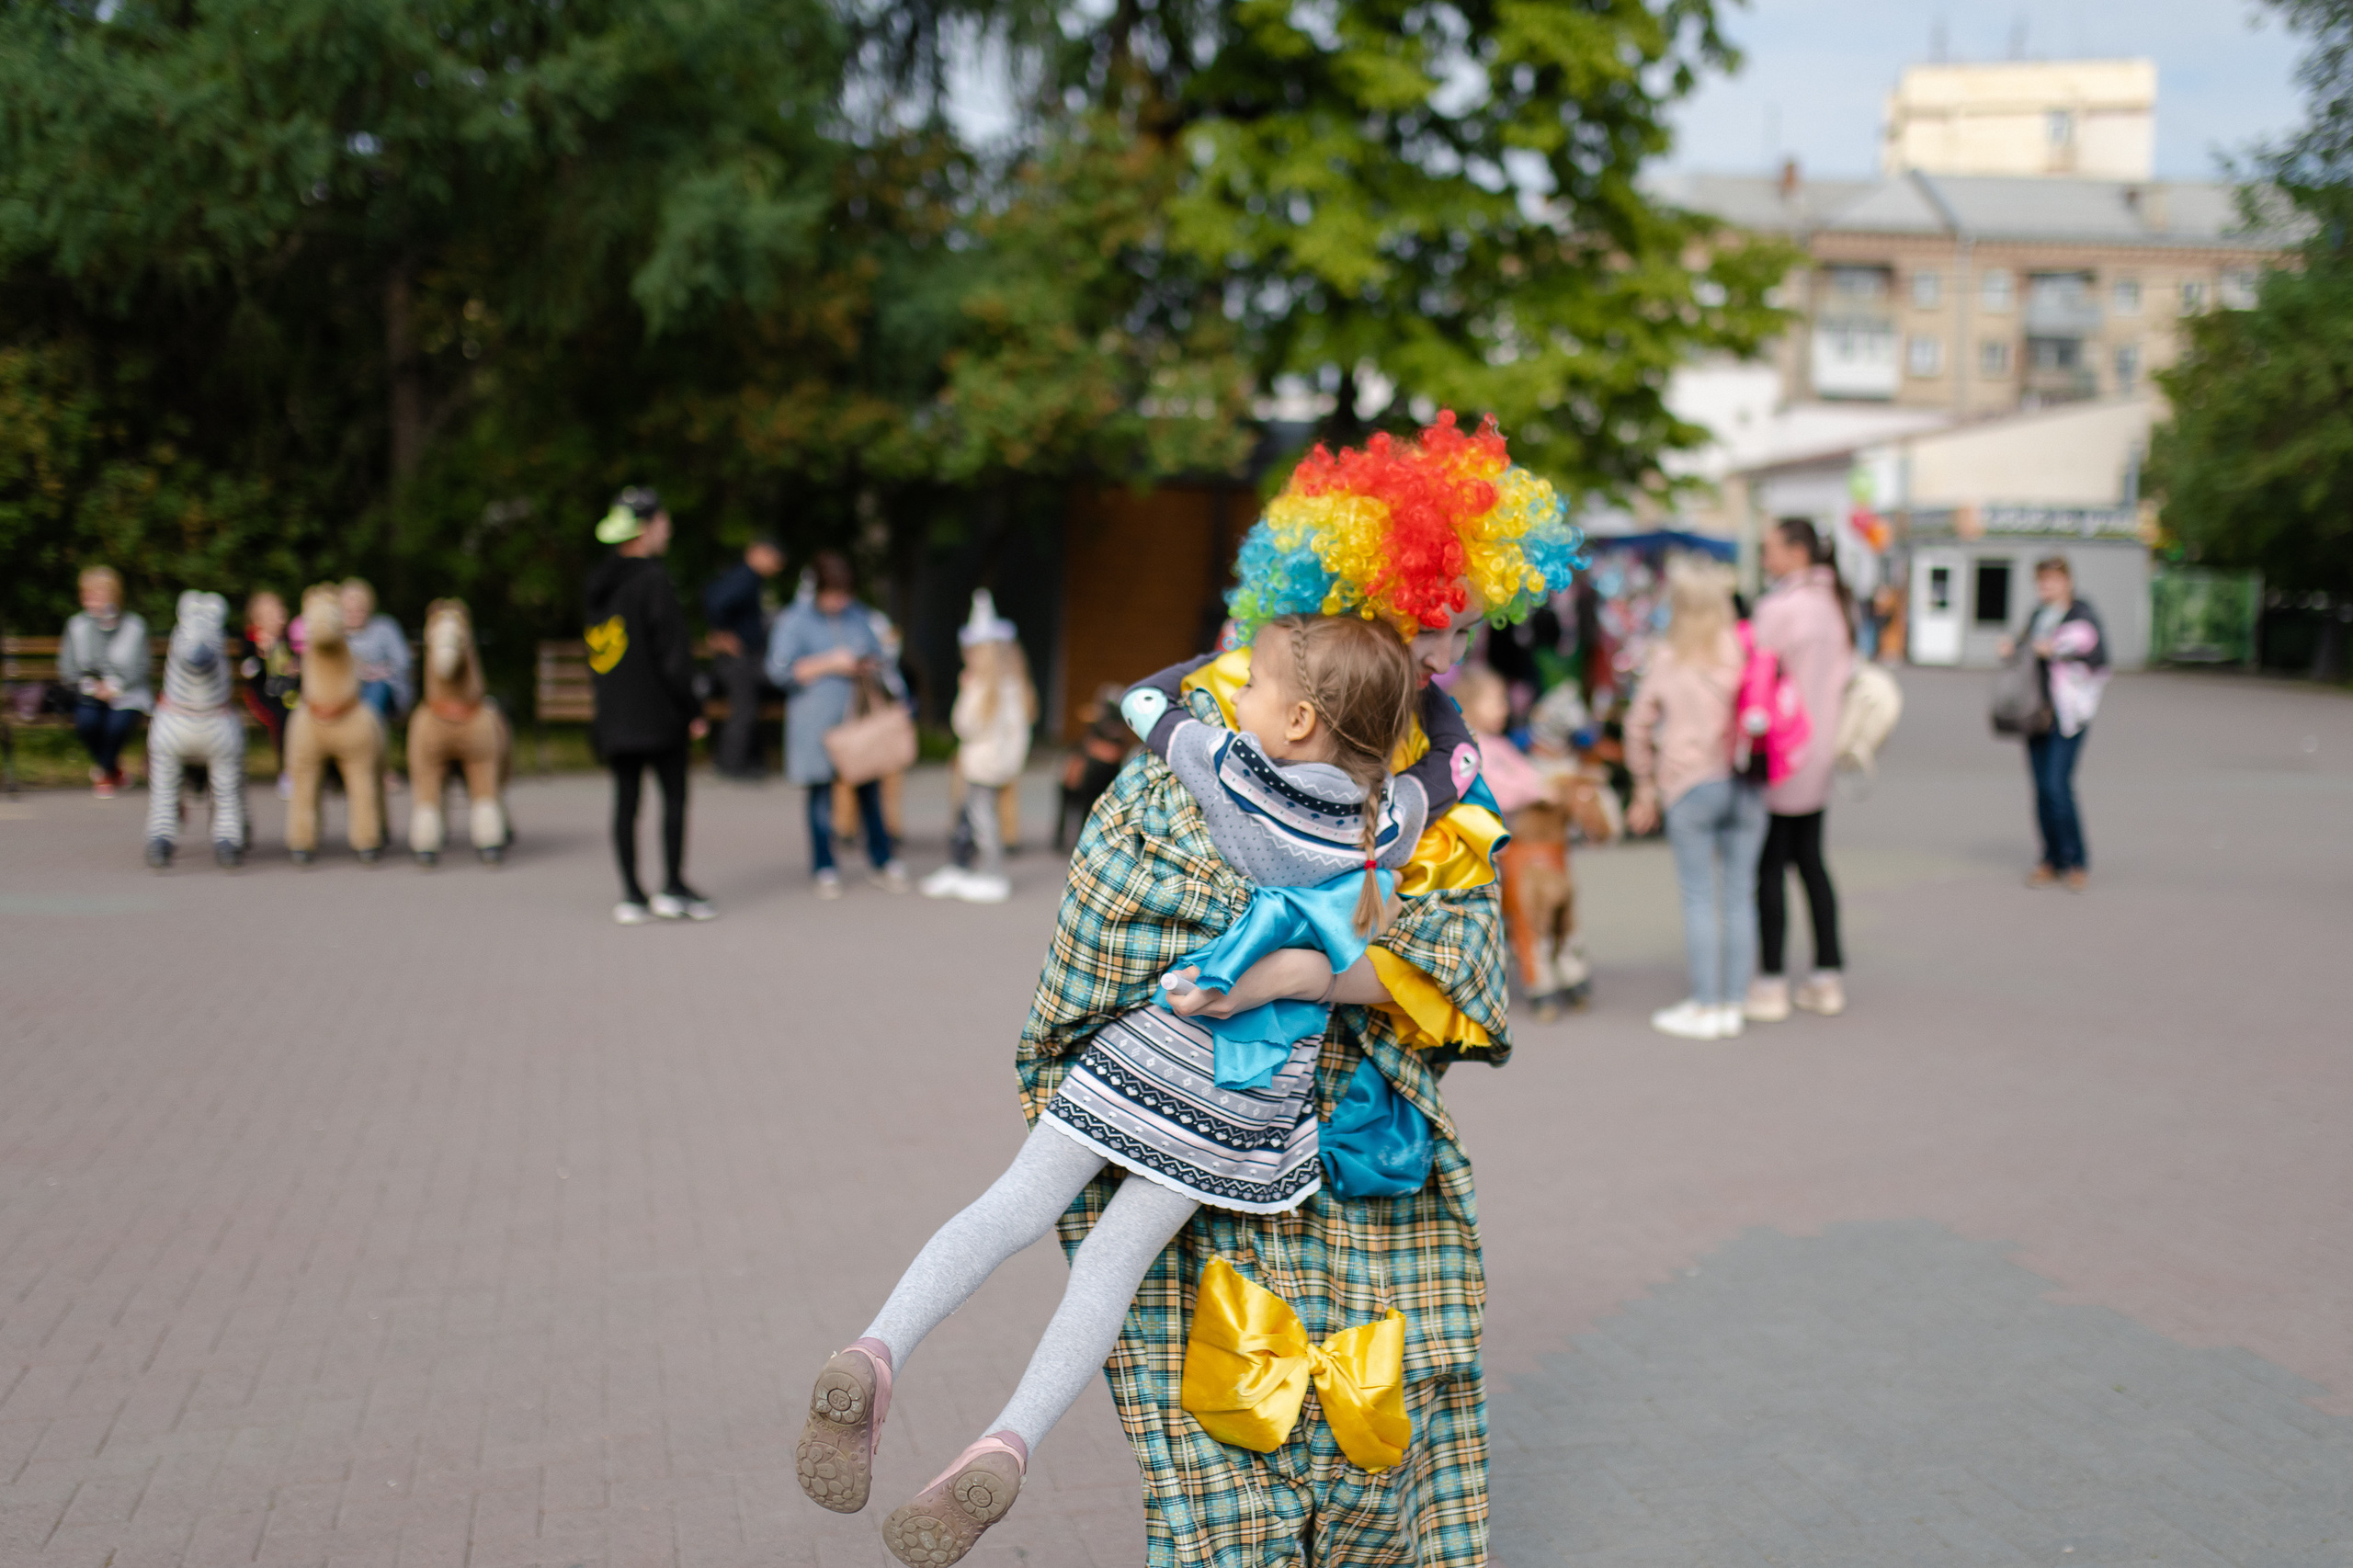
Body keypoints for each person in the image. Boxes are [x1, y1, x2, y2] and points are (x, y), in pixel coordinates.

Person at [1006, 415, 1577, 1568]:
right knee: (1222, 1453)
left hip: (1366, 1165)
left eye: (1463, 629)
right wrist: (1317, 960)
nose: (1447, 656)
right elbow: (1110, 926)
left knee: (1379, 1453)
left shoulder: (1444, 793)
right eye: (1432, 625)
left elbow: (1463, 970)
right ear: (1349, 602)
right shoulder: (1205, 748)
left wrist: (1289, 967)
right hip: (1196, 1140)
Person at [797, 614, 1473, 1564]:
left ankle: (875, 1347)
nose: (1237, 694)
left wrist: (1209, 654)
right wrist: (1426, 694)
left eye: (1254, 685)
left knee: (1010, 1206)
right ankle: (1008, 1441)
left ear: (1298, 721)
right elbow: (1458, 766)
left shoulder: (1236, 771)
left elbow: (1144, 701)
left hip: (1149, 1052)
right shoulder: (1384, 821)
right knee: (1110, 1266)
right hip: (1242, 1100)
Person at [1625, 555, 1765, 1041]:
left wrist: (1643, 783)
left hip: (1690, 785)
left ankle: (1705, 1004)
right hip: (1747, 782)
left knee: (1699, 897)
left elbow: (1638, 724)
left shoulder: (1669, 656)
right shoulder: (1744, 649)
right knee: (1740, 895)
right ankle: (1733, 1004)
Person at [584, 487, 716, 925]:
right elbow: (673, 655)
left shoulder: (599, 584)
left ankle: (631, 895)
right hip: (660, 714)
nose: (668, 529)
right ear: (644, 529)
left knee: (625, 802)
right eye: (663, 522)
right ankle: (673, 886)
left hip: (616, 713)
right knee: (673, 798)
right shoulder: (652, 581)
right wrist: (694, 708)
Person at [1745, 517, 1854, 1024]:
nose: (1765, 557)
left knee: (1769, 866)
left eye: (1770, 549)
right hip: (1823, 748)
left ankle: (1770, 980)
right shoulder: (1835, 605)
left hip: (1781, 751)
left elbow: (1755, 681)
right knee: (1811, 862)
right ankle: (1827, 973)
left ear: (1795, 551)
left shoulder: (1779, 609)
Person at [765, 551, 909, 898]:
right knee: (820, 797)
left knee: (869, 790)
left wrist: (865, 663)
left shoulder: (857, 615)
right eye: (833, 593)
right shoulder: (795, 620)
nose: (840, 600)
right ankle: (824, 865)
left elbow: (880, 654)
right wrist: (831, 662)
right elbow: (779, 671)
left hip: (856, 721)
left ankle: (882, 859)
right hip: (815, 722)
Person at [922, 591, 1038, 904]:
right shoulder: (1014, 687)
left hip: (981, 766)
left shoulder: (981, 688)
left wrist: (965, 690)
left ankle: (992, 872)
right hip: (995, 763)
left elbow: (964, 726)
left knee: (981, 820)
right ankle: (959, 866)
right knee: (967, 818)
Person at [2002, 555, 2109, 891]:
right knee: (2041, 790)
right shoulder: (2037, 616)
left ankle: (2076, 860)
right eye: (2041, 581)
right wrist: (2012, 649)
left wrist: (2056, 649)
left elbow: (2091, 649)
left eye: (2052, 580)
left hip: (2068, 715)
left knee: (2057, 786)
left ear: (2067, 581)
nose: (2046, 587)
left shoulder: (2081, 613)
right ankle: (2049, 857)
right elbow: (2025, 648)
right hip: (2035, 713)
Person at [143, 591, 246, 869]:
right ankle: (169, 836)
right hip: (195, 721)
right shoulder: (200, 638)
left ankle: (223, 836)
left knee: (218, 784)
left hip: (200, 721)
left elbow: (197, 656)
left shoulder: (198, 638)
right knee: (214, 785)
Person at [59, 565, 152, 798]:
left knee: (117, 725)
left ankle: (103, 773)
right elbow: (68, 668)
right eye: (88, 595)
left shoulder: (135, 625)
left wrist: (115, 687)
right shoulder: (77, 626)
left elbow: (141, 667)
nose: (93, 600)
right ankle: (111, 769)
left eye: (99, 594)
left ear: (114, 596)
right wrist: (92, 687)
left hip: (128, 692)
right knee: (88, 722)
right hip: (88, 693)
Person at [703, 538, 786, 779]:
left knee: (749, 706)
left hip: (744, 658)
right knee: (744, 709)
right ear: (759, 552)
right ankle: (731, 764)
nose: (777, 566)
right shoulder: (745, 578)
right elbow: (716, 602)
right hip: (738, 660)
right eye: (775, 559)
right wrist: (722, 632)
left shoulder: (746, 578)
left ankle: (751, 761)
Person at [239, 590, 300, 794]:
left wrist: (295, 667)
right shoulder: (251, 640)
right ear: (258, 618)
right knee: (282, 718)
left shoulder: (288, 640)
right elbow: (249, 672)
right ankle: (287, 772)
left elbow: (296, 668)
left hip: (289, 696)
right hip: (262, 696)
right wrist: (260, 654)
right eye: (274, 613)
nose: (280, 616)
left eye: (281, 611)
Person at [339, 579, 412, 724]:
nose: (355, 615)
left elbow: (403, 662)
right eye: (349, 611)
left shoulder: (385, 628)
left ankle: (368, 735)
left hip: (384, 690)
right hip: (346, 689)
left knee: (376, 688)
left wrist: (376, 672)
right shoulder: (336, 637)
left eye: (359, 610)